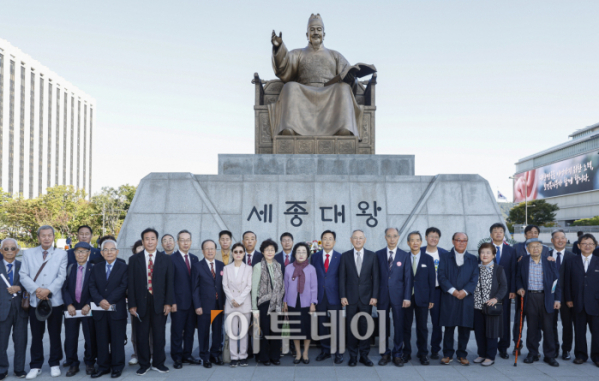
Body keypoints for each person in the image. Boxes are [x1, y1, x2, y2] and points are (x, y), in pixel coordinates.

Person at [20, 225, 68, 379]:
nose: (46, 238)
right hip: (35, 300)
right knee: (36, 335)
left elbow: (62, 276)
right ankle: (35, 365)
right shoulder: (28, 253)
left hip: (55, 300)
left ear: (53, 236)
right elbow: (23, 275)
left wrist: (49, 290)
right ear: (38, 237)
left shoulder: (62, 254)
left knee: (55, 334)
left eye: (49, 235)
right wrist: (37, 290)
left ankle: (54, 363)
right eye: (43, 235)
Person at [128, 228, 174, 375]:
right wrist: (132, 305)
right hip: (140, 303)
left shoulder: (165, 259)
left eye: (152, 238)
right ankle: (144, 364)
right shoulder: (134, 259)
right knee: (141, 335)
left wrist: (168, 303)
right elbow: (131, 284)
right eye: (146, 239)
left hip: (159, 302)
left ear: (156, 241)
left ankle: (159, 363)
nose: (149, 241)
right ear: (143, 241)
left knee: (159, 335)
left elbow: (169, 283)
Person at [516, 238, 561, 367]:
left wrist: (557, 299)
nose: (536, 248)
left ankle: (550, 355)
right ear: (527, 249)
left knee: (548, 328)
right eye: (532, 246)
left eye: (538, 246)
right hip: (530, 297)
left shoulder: (549, 261)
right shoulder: (523, 261)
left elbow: (556, 282)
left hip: (546, 297)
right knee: (532, 328)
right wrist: (519, 288)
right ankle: (532, 353)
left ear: (542, 248)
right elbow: (518, 277)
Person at [339, 230, 379, 367]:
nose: (358, 240)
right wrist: (343, 296)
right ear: (351, 240)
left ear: (365, 240)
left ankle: (364, 356)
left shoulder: (372, 256)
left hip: (367, 298)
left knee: (365, 327)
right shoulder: (345, 256)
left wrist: (374, 296)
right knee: (351, 328)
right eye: (355, 238)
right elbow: (342, 278)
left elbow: (376, 278)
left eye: (360, 238)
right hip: (350, 299)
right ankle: (353, 356)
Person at [88, 240, 128, 378]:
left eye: (112, 249)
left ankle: (117, 366)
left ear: (117, 252)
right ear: (102, 252)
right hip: (100, 310)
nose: (109, 252)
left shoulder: (124, 267)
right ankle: (103, 366)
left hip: (117, 310)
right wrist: (100, 301)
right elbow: (91, 286)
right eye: (106, 249)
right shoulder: (96, 267)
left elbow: (123, 286)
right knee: (101, 339)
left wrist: (109, 300)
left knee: (117, 340)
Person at [438, 232, 479, 366]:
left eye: (464, 240)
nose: (461, 242)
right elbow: (442, 276)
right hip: (450, 297)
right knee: (449, 327)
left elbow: (475, 278)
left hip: (466, 298)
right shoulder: (444, 257)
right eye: (458, 240)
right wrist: (454, 291)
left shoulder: (473, 259)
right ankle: (447, 354)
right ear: (453, 241)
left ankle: (462, 354)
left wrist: (465, 291)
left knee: (464, 327)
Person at [376, 228, 411, 366]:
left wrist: (407, 297)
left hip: (399, 296)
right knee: (382, 325)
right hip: (382, 295)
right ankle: (384, 354)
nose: (392, 239)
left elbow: (408, 278)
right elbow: (375, 277)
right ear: (385, 237)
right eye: (389, 236)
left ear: (398, 237)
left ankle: (397, 354)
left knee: (399, 325)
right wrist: (374, 296)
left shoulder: (404, 255)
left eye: (394, 236)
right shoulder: (378, 254)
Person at [512, 224, 550, 355]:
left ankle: (535, 349)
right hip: (522, 291)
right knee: (519, 320)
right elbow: (514, 272)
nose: (533, 234)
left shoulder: (545, 250)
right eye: (530, 232)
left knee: (536, 323)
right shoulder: (516, 248)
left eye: (535, 232)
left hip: (540, 293)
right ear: (525, 234)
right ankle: (517, 343)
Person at [61, 242, 97, 377]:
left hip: (87, 308)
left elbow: (96, 289)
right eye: (78, 252)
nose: (80, 254)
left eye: (84, 252)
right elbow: (63, 288)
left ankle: (89, 362)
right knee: (70, 338)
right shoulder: (69, 268)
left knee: (90, 337)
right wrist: (69, 304)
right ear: (74, 253)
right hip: (71, 308)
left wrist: (89, 304)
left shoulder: (94, 269)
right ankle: (73, 363)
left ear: (89, 253)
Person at [564, 233, 599, 366]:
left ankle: (597, 356)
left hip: (595, 303)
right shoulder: (571, 261)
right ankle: (580, 355)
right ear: (578, 246)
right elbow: (567, 282)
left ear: (595, 246)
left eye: (590, 244)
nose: (587, 246)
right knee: (579, 331)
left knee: (597, 332)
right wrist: (568, 298)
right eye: (584, 243)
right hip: (577, 302)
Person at [473, 243, 508, 366]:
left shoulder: (499, 269)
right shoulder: (475, 268)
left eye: (488, 252)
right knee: (479, 332)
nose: (485, 255)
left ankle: (490, 356)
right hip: (477, 306)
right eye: (482, 252)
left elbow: (504, 286)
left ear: (493, 255)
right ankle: (481, 354)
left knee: (491, 332)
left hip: (492, 306)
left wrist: (496, 298)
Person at [311, 230, 343, 364]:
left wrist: (343, 296)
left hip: (335, 296)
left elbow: (342, 278)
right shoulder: (315, 257)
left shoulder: (340, 257)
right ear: (321, 241)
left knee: (336, 325)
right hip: (320, 296)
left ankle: (338, 352)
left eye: (330, 239)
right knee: (322, 324)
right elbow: (312, 278)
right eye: (325, 238)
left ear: (334, 242)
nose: (327, 241)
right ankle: (325, 350)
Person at [403, 231, 435, 365]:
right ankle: (406, 352)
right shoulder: (403, 257)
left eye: (417, 240)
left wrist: (431, 299)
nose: (415, 243)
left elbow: (432, 280)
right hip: (406, 298)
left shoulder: (428, 259)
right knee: (406, 327)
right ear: (408, 243)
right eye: (412, 240)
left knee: (422, 327)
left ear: (421, 242)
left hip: (422, 298)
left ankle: (423, 353)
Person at [170, 230, 201, 369]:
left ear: (191, 241)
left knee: (190, 331)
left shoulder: (195, 259)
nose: (185, 242)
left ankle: (187, 355)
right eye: (182, 240)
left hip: (192, 303)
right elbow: (169, 283)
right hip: (178, 303)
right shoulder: (171, 259)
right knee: (177, 331)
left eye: (188, 239)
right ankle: (177, 357)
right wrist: (172, 302)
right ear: (177, 242)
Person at [192, 240, 225, 368]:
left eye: (212, 248)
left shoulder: (221, 265)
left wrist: (224, 303)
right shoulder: (197, 266)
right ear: (203, 251)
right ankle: (204, 356)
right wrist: (197, 305)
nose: (210, 251)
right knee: (204, 332)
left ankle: (215, 354)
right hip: (204, 306)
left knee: (217, 331)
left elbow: (223, 286)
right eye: (207, 248)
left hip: (218, 305)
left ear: (216, 250)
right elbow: (194, 288)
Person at [251, 239, 284, 366]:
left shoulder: (278, 265)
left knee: (276, 331)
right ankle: (264, 357)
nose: (270, 252)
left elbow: (281, 285)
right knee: (265, 331)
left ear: (275, 251)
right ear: (263, 252)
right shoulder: (258, 267)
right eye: (267, 250)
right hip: (264, 303)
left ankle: (275, 357)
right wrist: (254, 308)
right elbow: (254, 289)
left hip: (277, 303)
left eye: (272, 250)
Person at [283, 242, 317, 365]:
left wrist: (313, 302)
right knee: (295, 329)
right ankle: (298, 353)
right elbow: (285, 287)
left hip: (306, 303)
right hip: (292, 303)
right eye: (298, 251)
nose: (301, 254)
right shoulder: (288, 268)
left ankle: (306, 353)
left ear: (307, 254)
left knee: (307, 329)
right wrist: (284, 301)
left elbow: (314, 287)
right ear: (294, 253)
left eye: (303, 252)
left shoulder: (311, 269)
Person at [0, 239, 28, 380]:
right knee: (1, 342)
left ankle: (19, 369)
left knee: (21, 340)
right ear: (1, 251)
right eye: (6, 248)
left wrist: (20, 288)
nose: (9, 251)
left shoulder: (23, 266)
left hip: (20, 309)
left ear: (17, 251)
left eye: (13, 248)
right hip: (2, 309)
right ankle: (2, 369)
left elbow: (30, 285)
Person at [488, 223, 516, 359]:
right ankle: (488, 346)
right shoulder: (485, 249)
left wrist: (512, 290)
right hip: (489, 290)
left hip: (506, 291)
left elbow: (514, 271)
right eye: (495, 231)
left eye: (501, 231)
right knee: (489, 318)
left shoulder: (510, 250)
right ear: (491, 234)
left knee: (505, 319)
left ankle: (503, 347)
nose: (498, 233)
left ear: (504, 234)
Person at [222, 243, 252, 367]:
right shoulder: (227, 268)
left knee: (243, 332)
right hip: (231, 304)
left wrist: (239, 300)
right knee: (232, 332)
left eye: (241, 251)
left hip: (244, 303)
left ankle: (243, 356)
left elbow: (249, 286)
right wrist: (232, 299)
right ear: (232, 253)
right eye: (236, 252)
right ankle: (234, 357)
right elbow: (225, 286)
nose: (238, 254)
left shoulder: (249, 268)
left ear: (244, 253)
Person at [421, 227, 448, 359]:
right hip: (422, 292)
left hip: (438, 292)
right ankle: (422, 349)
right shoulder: (418, 252)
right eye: (431, 236)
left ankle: (435, 349)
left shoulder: (444, 254)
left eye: (436, 237)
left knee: (437, 323)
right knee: (421, 323)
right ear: (425, 237)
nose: (433, 239)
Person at [549, 229, 575, 360]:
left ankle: (566, 350)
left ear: (566, 240)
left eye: (563, 238)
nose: (560, 240)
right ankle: (553, 348)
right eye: (557, 238)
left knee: (567, 324)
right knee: (550, 324)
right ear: (552, 241)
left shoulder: (573, 257)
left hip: (567, 297)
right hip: (550, 296)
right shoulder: (545, 256)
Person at [128, 240, 146, 366]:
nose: (140, 249)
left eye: (142, 247)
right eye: (138, 247)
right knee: (135, 330)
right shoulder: (132, 263)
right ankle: (136, 353)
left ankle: (149, 353)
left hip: (149, 303)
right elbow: (129, 285)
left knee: (149, 331)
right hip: (136, 302)